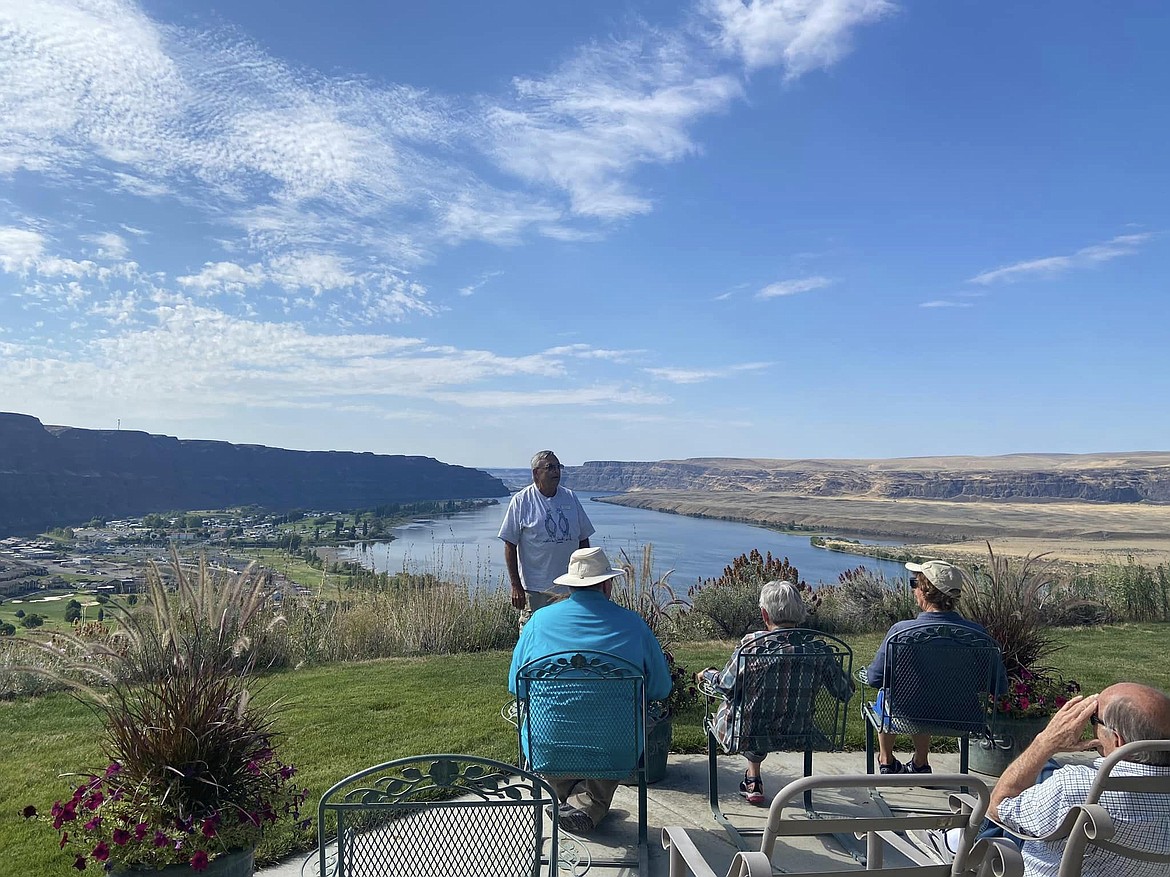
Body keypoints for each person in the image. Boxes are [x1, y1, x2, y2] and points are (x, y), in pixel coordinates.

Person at [916, 683, 1170, 876]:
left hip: (1024, 862)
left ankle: (956, 843)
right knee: (1047, 770)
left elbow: (997, 807)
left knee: (1029, 783)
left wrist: (1045, 743)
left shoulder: (1074, 785)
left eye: (1093, 719)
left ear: (1117, 741)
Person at [507, 546, 672, 833]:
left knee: (555, 734)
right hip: (614, 748)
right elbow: (660, 688)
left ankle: (564, 799)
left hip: (547, 746)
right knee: (624, 728)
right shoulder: (634, 625)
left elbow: (516, 686)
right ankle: (589, 803)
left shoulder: (538, 623)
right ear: (608, 584)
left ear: (570, 585)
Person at [696, 580, 855, 804]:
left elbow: (726, 686)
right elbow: (845, 691)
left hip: (745, 734)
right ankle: (753, 778)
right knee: (761, 711)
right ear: (801, 612)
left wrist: (708, 674)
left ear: (764, 614)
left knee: (744, 710)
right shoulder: (818, 649)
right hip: (799, 731)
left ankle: (751, 781)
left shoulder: (752, 646)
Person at [863, 559, 1008, 774]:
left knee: (889, 695)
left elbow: (875, 678)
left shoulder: (901, 632)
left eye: (915, 584)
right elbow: (1000, 686)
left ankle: (886, 759)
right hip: (962, 715)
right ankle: (920, 763)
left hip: (906, 714)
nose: (913, 590)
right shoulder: (977, 635)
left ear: (924, 591)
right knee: (924, 699)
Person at [498, 450, 594, 622]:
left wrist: (585, 579)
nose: (556, 471)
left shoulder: (570, 498)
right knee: (533, 635)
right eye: (550, 467)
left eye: (558, 467)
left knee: (566, 634)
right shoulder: (522, 501)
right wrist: (515, 586)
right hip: (536, 590)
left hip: (570, 587)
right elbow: (510, 544)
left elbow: (583, 539)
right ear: (536, 473)